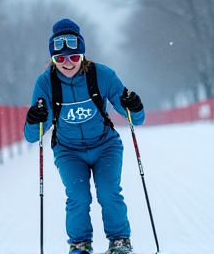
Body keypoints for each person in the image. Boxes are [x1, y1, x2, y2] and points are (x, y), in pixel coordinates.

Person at [24, 18, 145, 254]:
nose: (67, 63)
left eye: (73, 57)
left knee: (109, 192)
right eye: (60, 58)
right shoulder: (45, 82)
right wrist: (34, 119)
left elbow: (134, 119)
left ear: (82, 55)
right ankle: (79, 243)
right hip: (69, 151)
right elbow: (34, 136)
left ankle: (119, 241)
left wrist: (134, 105)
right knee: (78, 198)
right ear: (52, 59)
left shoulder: (102, 75)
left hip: (105, 146)